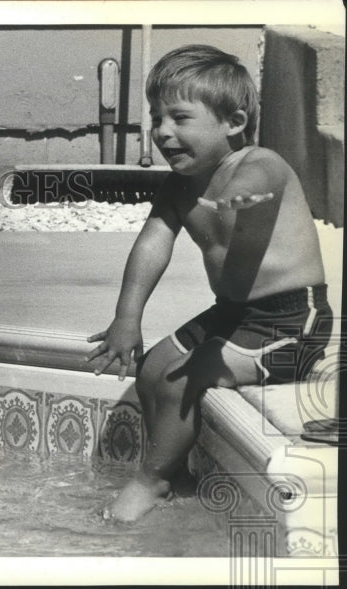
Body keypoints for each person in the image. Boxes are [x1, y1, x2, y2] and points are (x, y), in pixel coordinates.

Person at [86, 45, 332, 523]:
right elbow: (152, 244)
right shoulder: (179, 185)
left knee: (184, 380)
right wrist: (127, 318)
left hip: (290, 321)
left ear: (234, 122)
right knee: (154, 368)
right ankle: (176, 477)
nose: (162, 132)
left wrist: (239, 208)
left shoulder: (261, 167)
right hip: (235, 313)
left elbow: (248, 233)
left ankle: (150, 481)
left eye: (179, 117)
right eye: (157, 119)